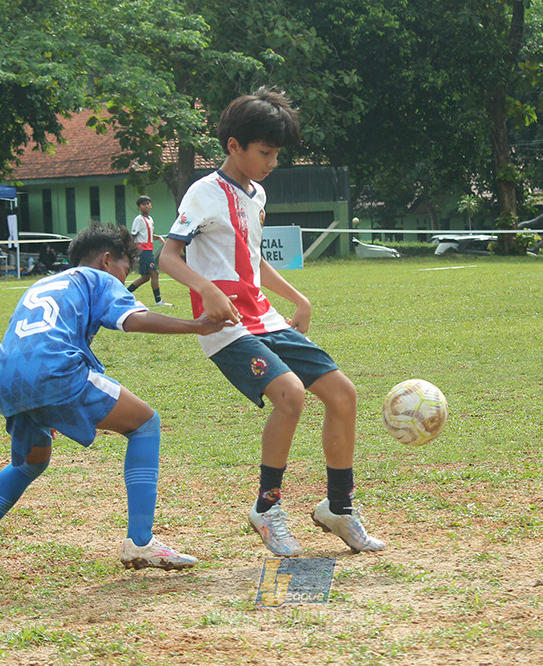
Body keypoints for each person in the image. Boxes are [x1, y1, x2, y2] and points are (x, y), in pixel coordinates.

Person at [159, 87, 385, 557]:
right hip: (225, 325)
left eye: (277, 152)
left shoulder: (257, 193)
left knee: (343, 394)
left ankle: (339, 509)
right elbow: (169, 257)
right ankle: (266, 507)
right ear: (233, 146)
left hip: (266, 316)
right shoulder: (204, 193)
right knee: (291, 395)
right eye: (265, 152)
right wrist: (206, 290)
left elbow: (253, 259)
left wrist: (297, 297)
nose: (272, 161)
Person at [0, 224, 229, 577]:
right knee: (145, 423)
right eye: (125, 270)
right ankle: (140, 541)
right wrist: (196, 326)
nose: (124, 281)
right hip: (54, 369)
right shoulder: (98, 278)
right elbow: (133, 320)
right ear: (108, 260)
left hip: (5, 377)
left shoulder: (44, 283)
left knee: (30, 463)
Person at [127, 195, 171, 306]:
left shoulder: (150, 219)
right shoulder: (139, 219)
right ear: (139, 207)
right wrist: (130, 252)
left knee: (146, 277)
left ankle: (125, 294)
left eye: (148, 203)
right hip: (143, 251)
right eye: (143, 204)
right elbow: (133, 236)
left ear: (151, 205)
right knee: (155, 273)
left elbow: (148, 235)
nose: (146, 206)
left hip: (148, 250)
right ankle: (158, 301)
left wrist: (158, 237)